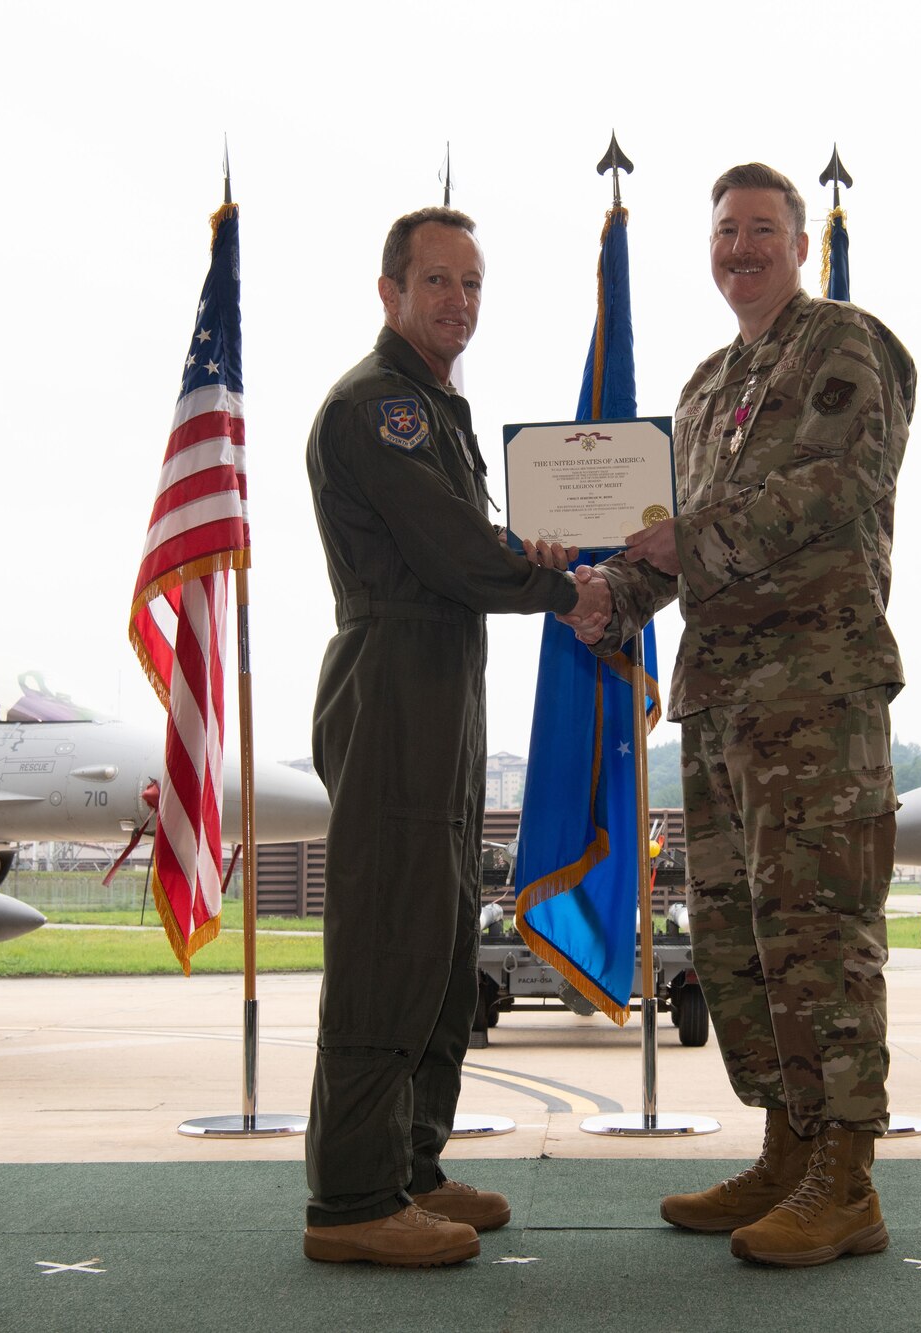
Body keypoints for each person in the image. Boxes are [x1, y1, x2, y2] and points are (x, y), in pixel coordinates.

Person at [568, 163, 916, 1268]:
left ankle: (845, 1177)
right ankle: (783, 1150)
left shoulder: (844, 346)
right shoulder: (709, 384)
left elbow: (826, 488)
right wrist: (602, 596)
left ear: (797, 242)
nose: (740, 248)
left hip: (815, 691)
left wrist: (679, 545)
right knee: (737, 937)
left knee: (819, 928)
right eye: (724, 231)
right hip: (719, 699)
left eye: (761, 228)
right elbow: (668, 534)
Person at [302, 206, 608, 1268]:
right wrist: (556, 584)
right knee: (389, 938)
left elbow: (465, 542)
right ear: (389, 292)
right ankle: (349, 1199)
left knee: (435, 944)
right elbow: (443, 547)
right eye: (436, 281)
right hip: (392, 681)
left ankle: (409, 1168)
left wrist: (525, 556)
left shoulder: (437, 407)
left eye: (472, 284)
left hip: (443, 682)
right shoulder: (377, 407)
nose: (457, 302)